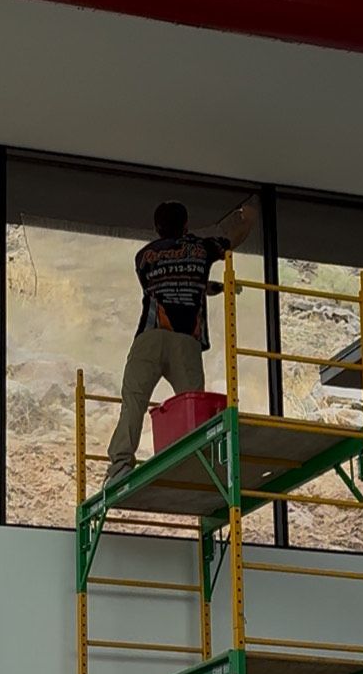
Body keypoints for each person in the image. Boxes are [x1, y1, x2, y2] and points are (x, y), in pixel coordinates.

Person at [104, 195, 257, 486]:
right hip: (185, 342)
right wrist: (248, 220)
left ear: (157, 227)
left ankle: (120, 467)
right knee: (193, 406)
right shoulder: (200, 248)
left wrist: (208, 287)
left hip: (149, 337)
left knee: (134, 401)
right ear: (186, 224)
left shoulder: (144, 257)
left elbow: (165, 285)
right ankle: (195, 463)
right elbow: (229, 242)